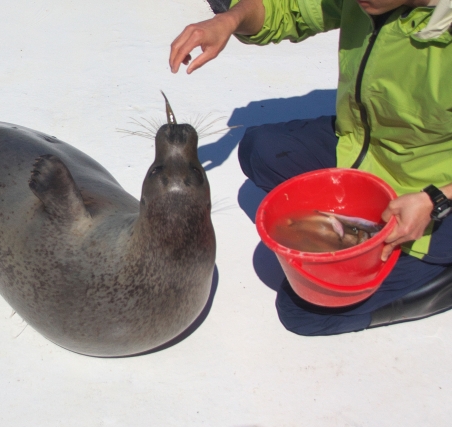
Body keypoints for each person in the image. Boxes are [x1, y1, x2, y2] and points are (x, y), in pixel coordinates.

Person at [169, 0, 452, 335]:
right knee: (261, 150)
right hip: (365, 149)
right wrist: (230, 20)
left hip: (432, 191)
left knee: (304, 314)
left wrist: (434, 199)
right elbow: (288, 9)